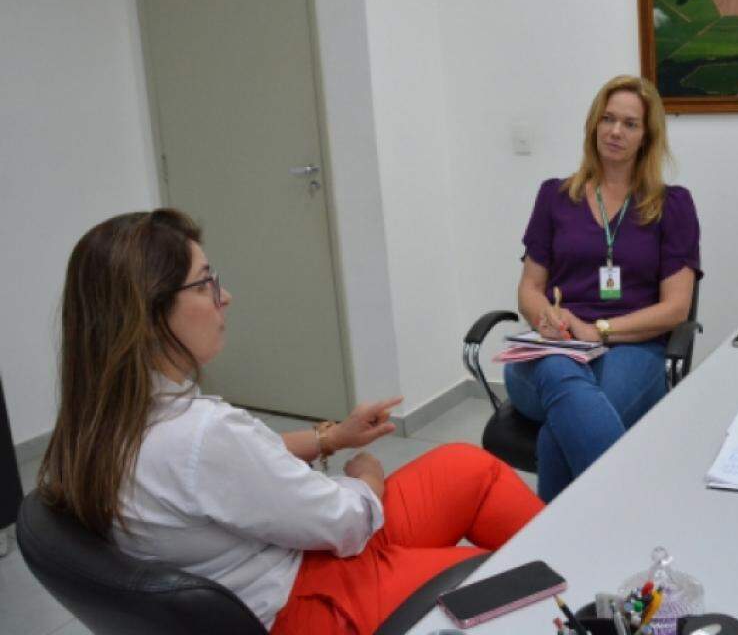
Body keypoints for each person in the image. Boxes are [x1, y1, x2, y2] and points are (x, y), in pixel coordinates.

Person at [37, 209, 543, 634]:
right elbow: (345, 523)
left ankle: (566, 554)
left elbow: (227, 475)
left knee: (466, 467)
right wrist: (366, 479)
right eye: (206, 282)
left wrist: (331, 438)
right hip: (306, 597)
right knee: (517, 576)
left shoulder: (99, 425)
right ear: (150, 316)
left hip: (279, 561)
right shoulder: (202, 436)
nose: (224, 296)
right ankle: (570, 583)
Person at [505, 75, 701, 502]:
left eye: (630, 124)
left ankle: (550, 547)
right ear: (593, 125)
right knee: (562, 376)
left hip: (634, 348)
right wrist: (546, 316)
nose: (615, 131)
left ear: (647, 137)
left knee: (567, 423)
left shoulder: (672, 206)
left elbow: (675, 309)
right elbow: (529, 288)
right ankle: (631, 513)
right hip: (553, 347)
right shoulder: (554, 197)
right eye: (608, 119)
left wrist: (600, 331)